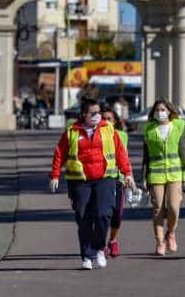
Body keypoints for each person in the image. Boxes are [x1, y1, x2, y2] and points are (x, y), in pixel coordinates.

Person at [50, 97, 135, 270]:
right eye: (93, 113)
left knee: (104, 214)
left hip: (105, 179)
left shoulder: (108, 129)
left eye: (99, 112)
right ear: (84, 114)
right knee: (83, 217)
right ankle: (87, 256)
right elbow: (60, 152)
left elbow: (120, 153)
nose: (97, 115)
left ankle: (99, 249)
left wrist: (127, 173)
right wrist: (55, 175)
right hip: (80, 181)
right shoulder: (72, 132)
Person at [141, 99, 185, 255]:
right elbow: (146, 156)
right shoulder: (149, 129)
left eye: (163, 109)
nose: (160, 112)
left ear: (169, 111)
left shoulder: (177, 126)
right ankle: (160, 242)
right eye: (157, 110)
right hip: (155, 174)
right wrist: (143, 178)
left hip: (175, 173)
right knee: (157, 210)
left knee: (173, 208)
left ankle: (170, 232)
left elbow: (183, 151)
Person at [100, 105, 129, 258]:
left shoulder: (122, 136)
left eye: (109, 119)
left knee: (117, 213)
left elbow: (124, 158)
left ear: (115, 121)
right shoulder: (97, 134)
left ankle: (113, 240)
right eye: (103, 118)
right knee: (104, 213)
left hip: (118, 179)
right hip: (101, 179)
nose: (105, 121)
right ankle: (102, 243)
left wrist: (126, 177)